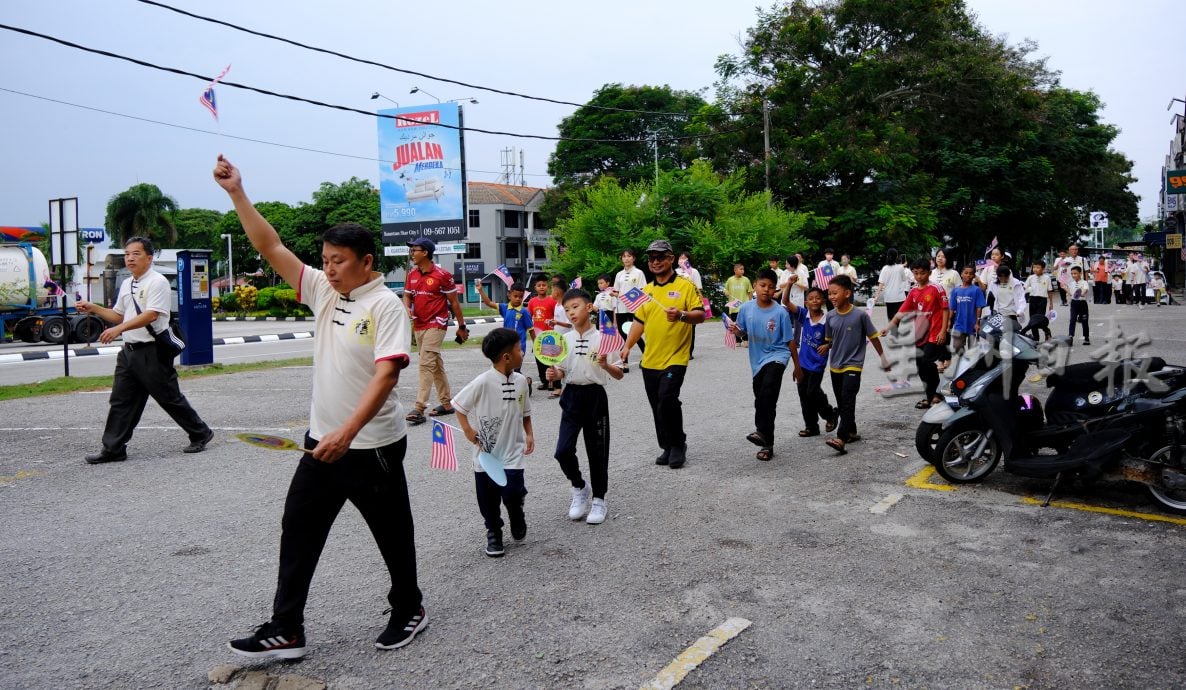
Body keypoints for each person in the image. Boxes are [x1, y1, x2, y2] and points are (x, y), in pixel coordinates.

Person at [214, 155, 425, 658]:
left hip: (369, 445)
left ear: (366, 262)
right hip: (320, 443)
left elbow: (387, 373)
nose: (328, 269)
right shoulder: (324, 292)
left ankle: (409, 607)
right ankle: (286, 627)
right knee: (299, 530)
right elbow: (270, 246)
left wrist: (348, 432)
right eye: (325, 260)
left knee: (392, 533)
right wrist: (237, 193)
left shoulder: (385, 306)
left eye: (339, 261)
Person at [77, 237, 214, 465]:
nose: (130, 257)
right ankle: (113, 448)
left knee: (169, 398)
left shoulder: (157, 282)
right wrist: (95, 308)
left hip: (152, 351)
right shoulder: (128, 283)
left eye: (136, 253)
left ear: (149, 258)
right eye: (128, 253)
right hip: (129, 351)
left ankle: (200, 432)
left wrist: (119, 329)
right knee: (121, 400)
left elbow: (151, 314)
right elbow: (118, 315)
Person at [619, 239, 706, 470]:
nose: (655, 262)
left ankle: (679, 444)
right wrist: (627, 346)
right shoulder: (646, 291)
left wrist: (681, 315)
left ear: (670, 259)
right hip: (650, 360)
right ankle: (667, 446)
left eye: (660, 257)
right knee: (657, 405)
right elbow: (639, 321)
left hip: (675, 357)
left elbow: (701, 315)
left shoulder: (685, 286)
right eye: (651, 258)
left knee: (667, 399)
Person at [453, 328, 534, 558]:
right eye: (519, 349)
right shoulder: (483, 382)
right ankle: (494, 532)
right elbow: (459, 406)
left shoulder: (521, 382)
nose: (522, 352)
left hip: (513, 452)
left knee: (512, 492)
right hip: (486, 455)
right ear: (506, 357)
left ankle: (516, 513)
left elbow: (525, 411)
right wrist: (468, 430)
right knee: (487, 499)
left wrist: (529, 433)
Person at [547, 289, 623, 525]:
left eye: (576, 307)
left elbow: (619, 373)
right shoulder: (564, 339)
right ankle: (580, 486)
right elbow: (561, 370)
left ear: (589, 308)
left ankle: (599, 498)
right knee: (563, 450)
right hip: (571, 396)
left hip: (595, 397)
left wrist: (605, 365)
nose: (571, 313)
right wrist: (554, 373)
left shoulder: (605, 337)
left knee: (597, 451)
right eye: (567, 309)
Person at [817, 275, 890, 455]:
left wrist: (883, 357)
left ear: (847, 293)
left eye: (835, 293)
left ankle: (841, 438)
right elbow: (832, 340)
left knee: (848, 399)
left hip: (853, 365)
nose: (832, 297)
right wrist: (827, 346)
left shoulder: (860, 315)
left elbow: (873, 337)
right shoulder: (831, 316)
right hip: (836, 366)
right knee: (843, 402)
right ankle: (851, 430)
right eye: (829, 294)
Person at [402, 236, 468, 426]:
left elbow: (454, 303)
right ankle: (447, 404)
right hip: (419, 325)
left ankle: (419, 407)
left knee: (425, 363)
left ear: (425, 253)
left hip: (437, 323)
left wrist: (461, 327)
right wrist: (407, 308)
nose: (412, 253)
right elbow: (407, 297)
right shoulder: (412, 274)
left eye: (414, 250)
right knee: (435, 364)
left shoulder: (443, 275)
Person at [729, 268, 794, 461]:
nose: (766, 290)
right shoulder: (746, 308)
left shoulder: (780, 312)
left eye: (771, 287)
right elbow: (742, 332)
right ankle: (767, 442)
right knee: (763, 400)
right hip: (757, 361)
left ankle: (761, 434)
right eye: (763, 285)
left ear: (775, 290)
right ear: (755, 285)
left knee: (767, 392)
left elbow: (790, 341)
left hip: (778, 356)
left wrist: (798, 368)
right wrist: (735, 331)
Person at [881, 259, 949, 409]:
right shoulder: (913, 292)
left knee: (926, 362)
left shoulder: (937, 288)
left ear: (929, 273)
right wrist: (889, 326)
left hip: (935, 334)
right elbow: (901, 312)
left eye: (922, 273)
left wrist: (943, 331)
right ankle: (931, 396)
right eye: (916, 273)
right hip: (920, 335)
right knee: (921, 367)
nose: (919, 276)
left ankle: (937, 394)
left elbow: (945, 309)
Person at [783, 286, 838, 438]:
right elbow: (785, 301)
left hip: (817, 364)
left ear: (823, 300)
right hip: (802, 364)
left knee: (812, 391)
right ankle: (811, 427)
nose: (814, 300)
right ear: (806, 301)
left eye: (818, 298)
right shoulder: (803, 315)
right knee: (804, 395)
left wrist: (828, 345)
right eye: (811, 298)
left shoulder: (828, 320)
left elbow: (837, 339)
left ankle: (830, 414)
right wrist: (789, 284)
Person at [475, 280, 533, 383]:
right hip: (506, 345)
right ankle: (519, 384)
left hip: (519, 347)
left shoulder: (524, 312)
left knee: (516, 369)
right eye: (515, 296)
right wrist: (480, 290)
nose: (518, 299)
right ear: (509, 295)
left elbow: (531, 330)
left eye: (521, 297)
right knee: (506, 369)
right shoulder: (504, 308)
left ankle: (524, 384)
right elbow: (488, 303)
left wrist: (537, 345)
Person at [612, 249, 648, 370]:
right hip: (621, 308)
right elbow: (616, 290)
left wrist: (627, 297)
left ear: (633, 258)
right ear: (621, 259)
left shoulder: (638, 273)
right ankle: (624, 362)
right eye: (624, 256)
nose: (626, 258)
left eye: (629, 256)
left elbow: (642, 290)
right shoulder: (619, 274)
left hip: (634, 308)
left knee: (635, 333)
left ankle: (647, 357)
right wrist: (613, 293)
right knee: (623, 335)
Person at [527, 276, 558, 393]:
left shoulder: (552, 301)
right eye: (539, 285)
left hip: (551, 335)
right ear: (535, 287)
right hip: (538, 336)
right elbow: (528, 317)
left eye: (544, 285)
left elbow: (557, 316)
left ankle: (553, 382)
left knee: (551, 359)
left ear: (548, 287)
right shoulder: (532, 302)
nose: (541, 287)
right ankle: (544, 382)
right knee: (539, 359)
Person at [949, 265, 987, 356]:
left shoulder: (976, 290)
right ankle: (963, 360)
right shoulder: (955, 290)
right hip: (959, 324)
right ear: (961, 274)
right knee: (957, 346)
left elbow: (979, 307)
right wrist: (949, 321)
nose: (968, 275)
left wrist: (977, 322)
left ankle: (971, 367)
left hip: (972, 325)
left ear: (974, 276)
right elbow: (952, 307)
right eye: (966, 273)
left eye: (971, 274)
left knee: (972, 350)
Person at [676, 252, 704, 359]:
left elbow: (699, 288)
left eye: (685, 258)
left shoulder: (693, 271)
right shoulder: (675, 272)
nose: (682, 260)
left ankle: (689, 351)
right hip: (678, 302)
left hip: (691, 302)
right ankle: (678, 350)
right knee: (678, 327)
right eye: (680, 258)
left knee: (691, 327)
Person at [875, 248, 911, 319]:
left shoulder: (885, 268)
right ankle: (896, 329)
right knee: (898, 318)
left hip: (889, 297)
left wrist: (876, 296)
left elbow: (881, 283)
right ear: (897, 257)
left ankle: (893, 329)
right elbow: (904, 279)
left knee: (891, 318)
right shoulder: (900, 268)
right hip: (899, 297)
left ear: (887, 256)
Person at [1066, 266, 1092, 345]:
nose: (1073, 275)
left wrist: (1081, 293)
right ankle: (1070, 337)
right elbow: (1070, 293)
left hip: (1082, 304)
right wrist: (1065, 288)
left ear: (1080, 273)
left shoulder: (1084, 282)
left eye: (1075, 273)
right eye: (1072, 274)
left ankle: (1086, 338)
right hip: (1074, 303)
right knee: (1072, 320)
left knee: (1084, 321)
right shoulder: (1071, 283)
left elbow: (1085, 290)